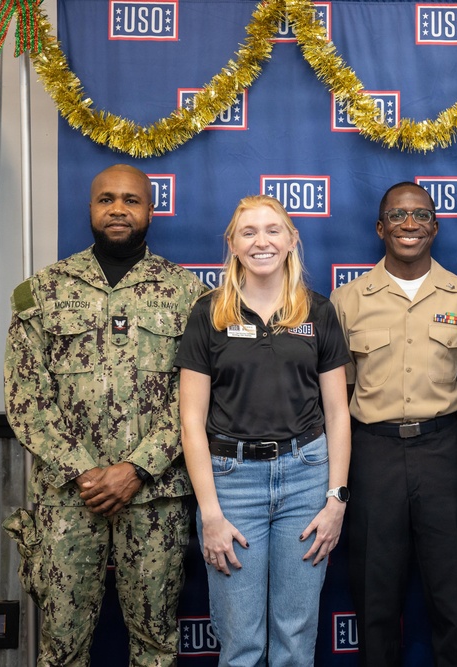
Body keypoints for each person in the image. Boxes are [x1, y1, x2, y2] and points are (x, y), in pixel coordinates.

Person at [1, 164, 205, 666]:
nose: (119, 209)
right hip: (68, 498)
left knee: (156, 646)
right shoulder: (43, 291)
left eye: (132, 200)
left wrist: (136, 468)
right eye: (107, 199)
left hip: (155, 497)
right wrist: (87, 473)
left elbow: (197, 395)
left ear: (151, 211)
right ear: (90, 208)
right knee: (61, 647)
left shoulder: (188, 293)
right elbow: (26, 397)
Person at [176, 195, 351, 665]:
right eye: (248, 232)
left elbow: (337, 413)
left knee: (295, 640)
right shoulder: (209, 313)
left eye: (273, 230)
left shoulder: (317, 312)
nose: (262, 241)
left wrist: (336, 499)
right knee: (241, 643)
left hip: (306, 480)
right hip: (232, 485)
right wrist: (210, 513)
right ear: (232, 244)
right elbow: (191, 422)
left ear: (292, 240)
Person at [330, 182, 457, 667]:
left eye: (419, 215)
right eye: (397, 216)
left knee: (451, 594)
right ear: (380, 227)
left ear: (435, 226)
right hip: (373, 455)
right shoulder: (346, 300)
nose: (409, 224)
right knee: (375, 597)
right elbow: (339, 396)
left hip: (444, 452)